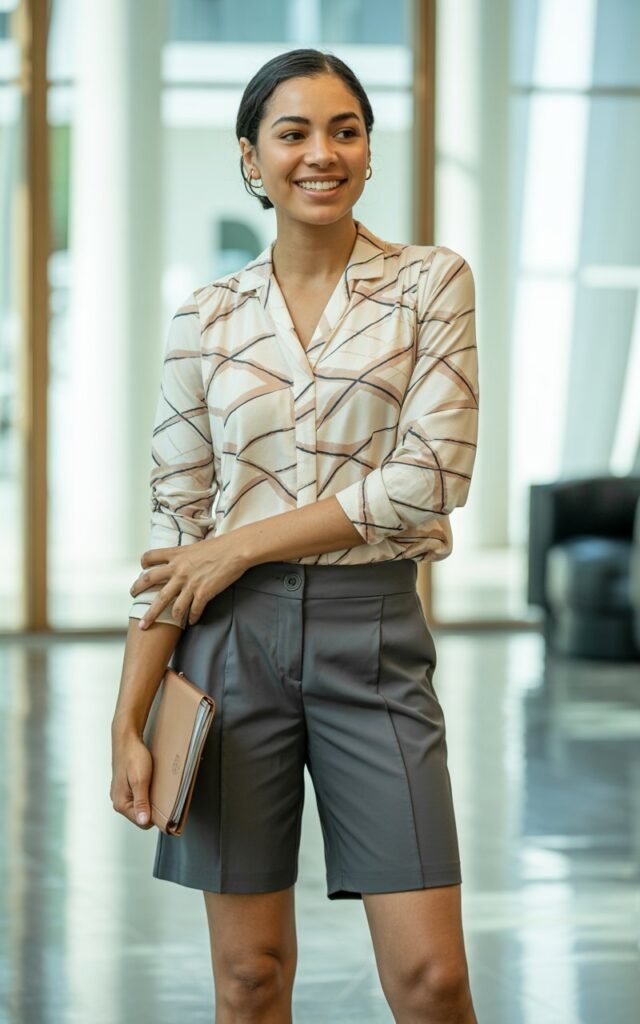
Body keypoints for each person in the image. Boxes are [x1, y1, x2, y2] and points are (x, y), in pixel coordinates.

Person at [110, 47, 479, 1024]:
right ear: (251, 157)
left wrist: (242, 544)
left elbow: (431, 478)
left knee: (433, 979)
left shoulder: (429, 285)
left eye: (344, 130)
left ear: (366, 151)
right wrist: (128, 717)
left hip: (375, 642)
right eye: (294, 132)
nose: (321, 153)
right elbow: (177, 525)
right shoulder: (205, 319)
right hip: (228, 650)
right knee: (249, 977)